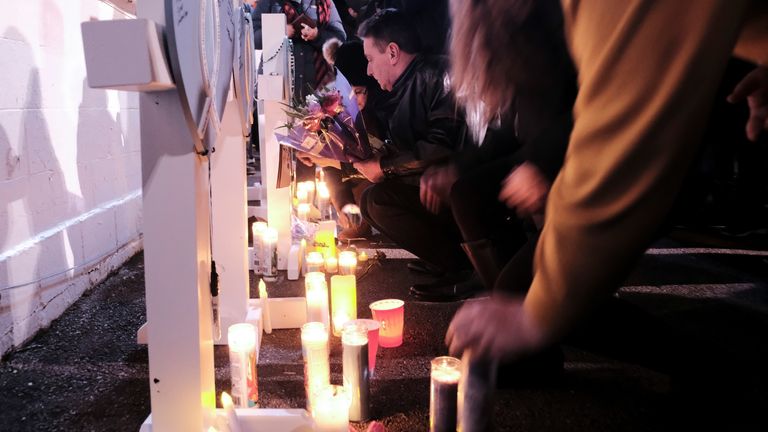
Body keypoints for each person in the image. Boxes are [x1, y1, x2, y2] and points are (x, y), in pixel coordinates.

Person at [444, 0, 768, 410]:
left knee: (525, 289)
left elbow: (617, 101)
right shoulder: (506, 21)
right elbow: (513, 119)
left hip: (647, 150)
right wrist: (458, 168)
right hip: (581, 140)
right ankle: (535, 348)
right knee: (470, 195)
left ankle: (707, 365)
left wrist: (540, 312)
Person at [353, 9, 470, 277]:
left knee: (377, 201)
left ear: (392, 53)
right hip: (436, 183)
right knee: (372, 199)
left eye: (370, 59)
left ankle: (462, 269)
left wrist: (385, 167)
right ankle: (446, 260)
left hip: (458, 185)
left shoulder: (437, 76)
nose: (369, 71)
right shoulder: (407, 83)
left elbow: (441, 146)